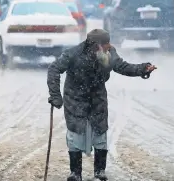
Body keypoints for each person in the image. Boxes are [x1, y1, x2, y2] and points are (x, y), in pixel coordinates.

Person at [47, 29, 157, 181]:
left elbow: (122, 66)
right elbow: (54, 69)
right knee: (75, 134)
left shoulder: (109, 53)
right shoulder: (73, 54)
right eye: (105, 43)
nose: (109, 46)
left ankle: (99, 171)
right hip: (75, 98)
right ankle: (75, 173)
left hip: (97, 98)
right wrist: (55, 96)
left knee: (100, 134)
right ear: (95, 45)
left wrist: (142, 69)